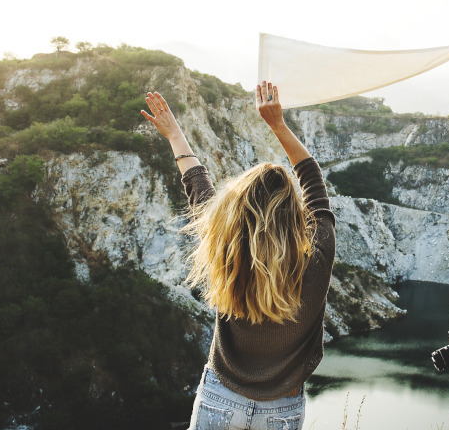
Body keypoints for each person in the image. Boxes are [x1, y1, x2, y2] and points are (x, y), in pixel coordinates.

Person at [140, 81, 335, 430]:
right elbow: (313, 183)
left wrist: (175, 134)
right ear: (293, 213)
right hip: (283, 407)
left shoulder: (225, 249)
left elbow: (198, 188)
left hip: (220, 397)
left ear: (237, 212)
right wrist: (277, 124)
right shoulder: (317, 259)